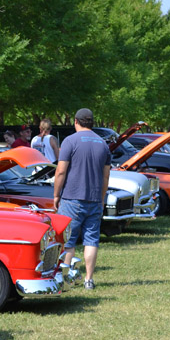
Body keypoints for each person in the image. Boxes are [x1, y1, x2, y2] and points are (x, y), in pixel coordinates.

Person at [52, 108, 111, 291]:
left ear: (76, 122)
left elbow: (60, 171)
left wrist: (56, 195)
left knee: (68, 241)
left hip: (71, 199)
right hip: (94, 199)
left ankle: (65, 279)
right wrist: (101, 198)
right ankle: (88, 280)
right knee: (91, 240)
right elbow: (106, 177)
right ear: (92, 122)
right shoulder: (103, 144)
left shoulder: (70, 141)